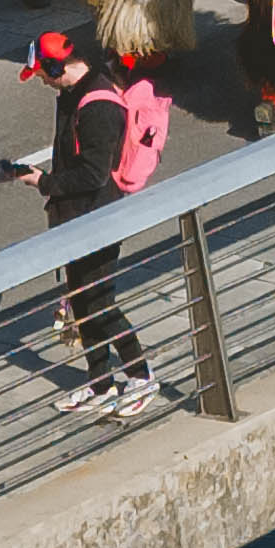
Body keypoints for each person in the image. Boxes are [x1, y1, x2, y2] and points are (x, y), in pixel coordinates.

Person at [34, 30, 175, 418]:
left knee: (101, 304)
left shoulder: (99, 106)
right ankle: (101, 384)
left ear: (56, 68)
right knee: (82, 303)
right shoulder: (72, 94)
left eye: (43, 75)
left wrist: (42, 181)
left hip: (99, 217)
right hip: (75, 217)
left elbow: (93, 175)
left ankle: (141, 375)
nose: (42, 82)